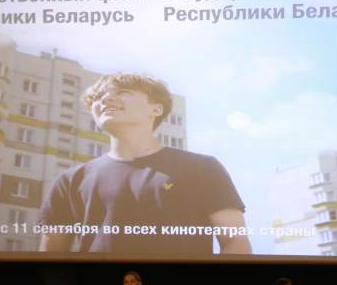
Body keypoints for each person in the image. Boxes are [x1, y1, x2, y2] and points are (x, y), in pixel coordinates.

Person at [38, 73, 250, 257]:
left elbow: (235, 243)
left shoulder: (202, 168)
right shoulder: (70, 180)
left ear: (156, 109)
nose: (106, 99)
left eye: (123, 92)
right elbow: (51, 257)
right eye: (99, 97)